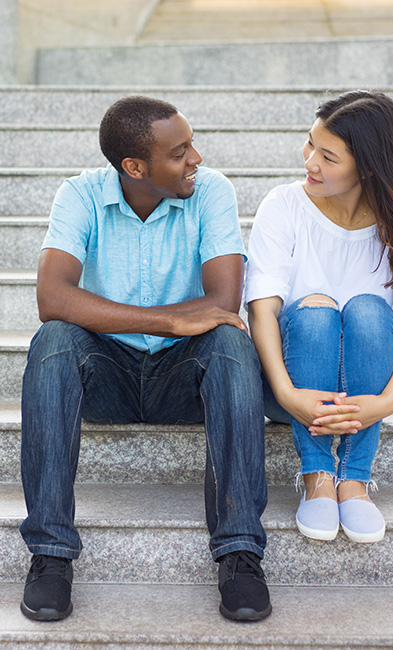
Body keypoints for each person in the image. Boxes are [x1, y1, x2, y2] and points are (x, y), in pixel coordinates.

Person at [19, 95, 271, 622]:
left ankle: (239, 552)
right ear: (135, 167)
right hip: (105, 374)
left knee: (230, 343)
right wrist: (164, 319)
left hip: (184, 375)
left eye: (192, 144)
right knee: (54, 342)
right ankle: (50, 554)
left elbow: (222, 304)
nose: (196, 158)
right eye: (180, 152)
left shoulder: (212, 192)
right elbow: (53, 299)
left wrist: (172, 327)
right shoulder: (81, 194)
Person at [245, 90, 393, 544]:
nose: (310, 161)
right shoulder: (284, 204)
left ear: (368, 166)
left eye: (328, 156)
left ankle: (354, 477)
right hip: (289, 384)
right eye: (310, 143)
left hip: (366, 390)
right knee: (315, 308)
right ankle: (317, 474)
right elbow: (262, 306)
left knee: (370, 310)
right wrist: (285, 391)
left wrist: (388, 402)